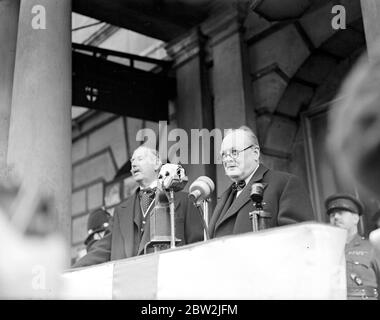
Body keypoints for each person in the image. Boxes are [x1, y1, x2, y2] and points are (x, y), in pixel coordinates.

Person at [73, 145, 204, 268]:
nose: (134, 164)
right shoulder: (120, 211)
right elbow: (103, 249)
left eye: (140, 159)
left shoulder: (184, 201)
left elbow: (198, 248)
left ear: (157, 163)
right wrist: (69, 272)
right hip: (129, 285)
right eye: (132, 161)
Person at [208, 126, 314, 239]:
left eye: (234, 152)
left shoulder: (285, 184)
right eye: (224, 155)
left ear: (255, 153)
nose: (227, 159)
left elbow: (299, 239)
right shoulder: (224, 197)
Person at [326, 193, 380, 300]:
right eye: (332, 215)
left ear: (355, 218)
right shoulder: (325, 251)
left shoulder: (371, 247)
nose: (335, 217)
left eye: (340, 213)